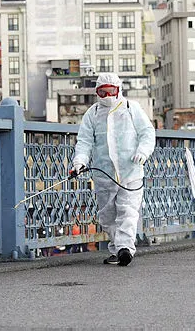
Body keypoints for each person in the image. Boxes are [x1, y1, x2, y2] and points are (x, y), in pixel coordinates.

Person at [70, 73, 156, 266]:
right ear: (97, 92)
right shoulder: (92, 114)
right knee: (107, 216)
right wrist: (79, 162)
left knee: (128, 212)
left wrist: (143, 151)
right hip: (104, 173)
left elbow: (147, 132)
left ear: (118, 90)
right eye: (103, 92)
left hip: (130, 171)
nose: (107, 96)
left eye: (111, 91)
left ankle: (125, 249)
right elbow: (84, 142)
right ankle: (118, 250)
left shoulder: (131, 108)